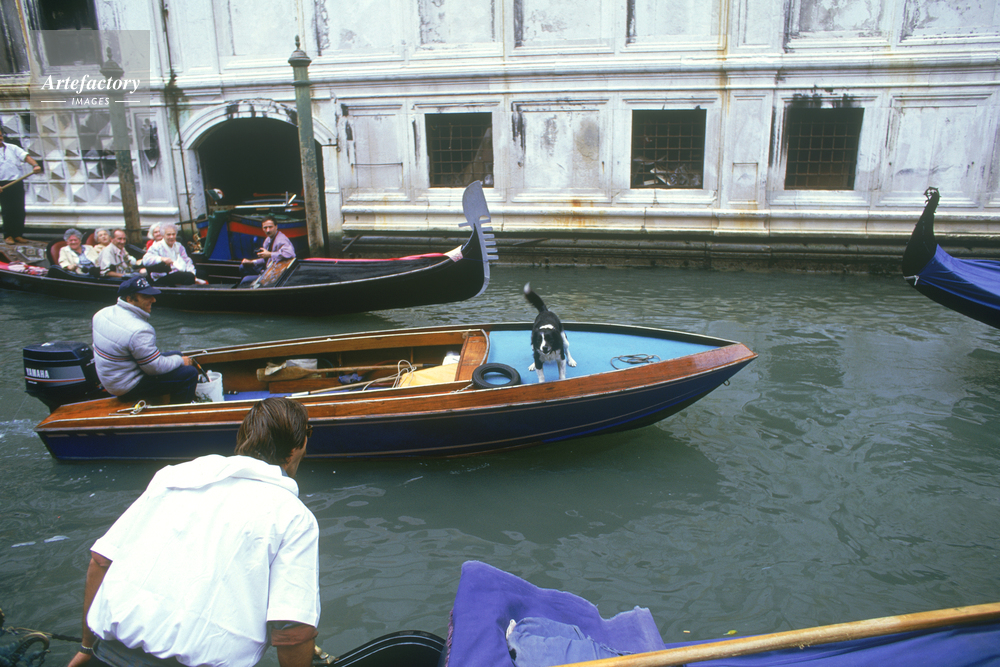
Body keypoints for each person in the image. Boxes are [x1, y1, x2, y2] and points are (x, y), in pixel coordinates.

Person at [67, 397, 320, 667]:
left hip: (107, 654)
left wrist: (87, 648)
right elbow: (292, 630)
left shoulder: (173, 476)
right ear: (296, 447)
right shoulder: (294, 517)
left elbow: (101, 561)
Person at [91, 274, 198, 404]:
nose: (154, 300)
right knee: (189, 374)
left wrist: (178, 358)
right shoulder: (139, 330)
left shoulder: (101, 313)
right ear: (130, 299)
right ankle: (176, 412)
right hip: (126, 387)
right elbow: (154, 368)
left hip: (113, 379)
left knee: (177, 354)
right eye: (146, 296)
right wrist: (180, 361)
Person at [0, 130, 42, 245]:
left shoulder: (12, 148)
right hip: (2, 185)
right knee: (7, 210)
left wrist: (35, 165)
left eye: (0, 135)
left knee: (19, 209)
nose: (0, 138)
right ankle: (8, 235)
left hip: (16, 182)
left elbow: (25, 156)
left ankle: (18, 234)